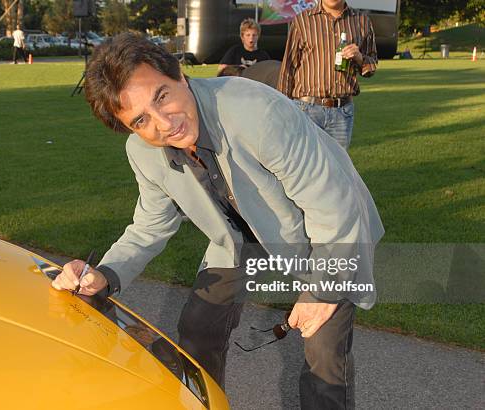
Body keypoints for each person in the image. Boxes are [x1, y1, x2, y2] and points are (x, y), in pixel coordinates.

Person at [52, 33, 384, 408]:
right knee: (197, 331)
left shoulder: (255, 111)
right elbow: (150, 225)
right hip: (241, 236)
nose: (164, 124)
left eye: (162, 96)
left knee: (324, 355)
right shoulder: (143, 153)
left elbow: (332, 204)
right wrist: (105, 274)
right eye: (141, 120)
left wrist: (323, 290)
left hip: (326, 231)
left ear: (179, 76)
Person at [277, 0, 377, 150]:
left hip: (342, 112)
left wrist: (360, 58)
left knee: (337, 169)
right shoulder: (303, 21)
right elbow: (289, 67)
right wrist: (281, 108)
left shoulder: (361, 21)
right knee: (305, 166)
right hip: (307, 109)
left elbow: (371, 66)